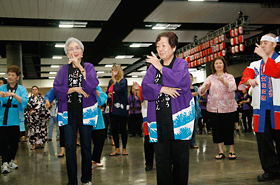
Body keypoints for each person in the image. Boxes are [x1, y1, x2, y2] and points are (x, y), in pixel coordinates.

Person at [142, 31, 195, 185]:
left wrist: (160, 68)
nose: (160, 49)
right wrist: (162, 89)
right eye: (158, 46)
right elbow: (145, 89)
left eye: (164, 45)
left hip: (179, 120)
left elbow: (180, 83)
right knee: (162, 161)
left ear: (173, 47)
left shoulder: (181, 64)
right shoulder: (152, 69)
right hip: (158, 120)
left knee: (180, 160)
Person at [54, 37, 99, 185]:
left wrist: (80, 68)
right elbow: (57, 87)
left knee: (86, 146)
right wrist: (74, 89)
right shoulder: (63, 69)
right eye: (71, 49)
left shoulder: (89, 66)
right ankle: (72, 181)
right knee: (69, 147)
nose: (74, 51)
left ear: (82, 51)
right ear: (67, 53)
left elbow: (91, 85)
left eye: (77, 48)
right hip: (68, 111)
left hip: (86, 111)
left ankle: (86, 179)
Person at [238, 33, 280, 182]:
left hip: (278, 109)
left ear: (274, 44)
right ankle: (271, 170)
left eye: (265, 43)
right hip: (260, 111)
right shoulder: (255, 65)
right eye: (260, 43)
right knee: (264, 142)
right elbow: (242, 82)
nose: (262, 45)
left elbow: (276, 71)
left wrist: (264, 56)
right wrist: (249, 80)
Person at [198, 56, 237, 160]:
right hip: (214, 108)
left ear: (224, 64)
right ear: (213, 66)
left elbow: (233, 87)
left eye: (220, 63)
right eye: (216, 63)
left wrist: (223, 81)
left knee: (228, 129)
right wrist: (205, 88)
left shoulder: (229, 76)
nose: (218, 65)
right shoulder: (210, 77)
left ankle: (231, 151)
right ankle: (220, 151)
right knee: (217, 129)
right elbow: (200, 91)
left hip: (228, 108)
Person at [0, 65, 28, 174]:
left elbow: (24, 101)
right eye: (9, 75)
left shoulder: (21, 89)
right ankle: (4, 163)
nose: (10, 77)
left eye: (12, 75)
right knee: (3, 141)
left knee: (14, 142)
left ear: (17, 77)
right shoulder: (2, 88)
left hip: (16, 118)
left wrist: (13, 94)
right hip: (3, 119)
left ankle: (11, 160)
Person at [106, 64, 129, 156]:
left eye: (115, 70)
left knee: (123, 129)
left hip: (121, 109)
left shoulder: (123, 81)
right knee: (114, 129)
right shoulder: (111, 82)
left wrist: (115, 79)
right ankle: (116, 148)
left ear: (119, 71)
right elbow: (108, 91)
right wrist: (108, 95)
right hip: (112, 109)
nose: (113, 72)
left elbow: (119, 89)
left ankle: (124, 148)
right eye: (112, 70)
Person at [25, 86, 50, 150]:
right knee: (33, 132)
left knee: (41, 131)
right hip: (32, 118)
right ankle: (34, 144)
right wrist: (29, 113)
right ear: (32, 91)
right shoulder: (29, 99)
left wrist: (37, 111)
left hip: (40, 118)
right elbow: (27, 108)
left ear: (38, 91)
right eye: (33, 90)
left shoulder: (42, 98)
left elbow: (44, 108)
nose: (34, 91)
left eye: (36, 89)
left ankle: (40, 143)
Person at [44, 88, 65, 157]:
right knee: (62, 131)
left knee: (71, 132)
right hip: (61, 113)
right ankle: (62, 151)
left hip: (72, 112)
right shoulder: (57, 87)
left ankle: (71, 149)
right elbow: (48, 95)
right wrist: (47, 101)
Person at [91, 86, 107, 168]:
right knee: (86, 142)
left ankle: (96, 159)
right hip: (86, 117)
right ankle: (88, 160)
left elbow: (103, 99)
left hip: (98, 118)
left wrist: (98, 93)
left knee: (100, 139)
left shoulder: (96, 87)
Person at [190, 73, 201, 149]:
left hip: (196, 109)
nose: (190, 79)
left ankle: (193, 143)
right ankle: (187, 143)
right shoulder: (184, 88)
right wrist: (191, 94)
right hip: (188, 109)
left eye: (191, 77)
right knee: (188, 128)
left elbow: (201, 93)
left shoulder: (196, 87)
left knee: (194, 128)